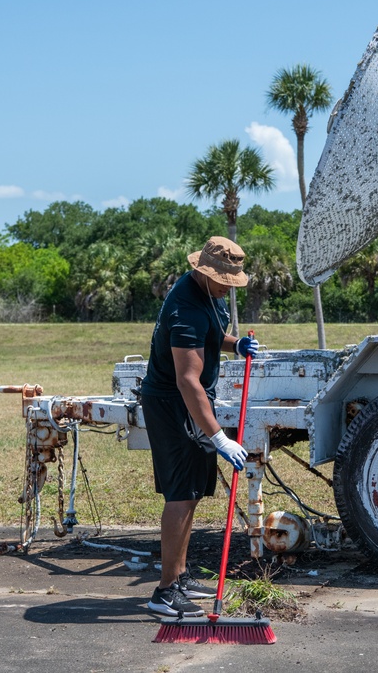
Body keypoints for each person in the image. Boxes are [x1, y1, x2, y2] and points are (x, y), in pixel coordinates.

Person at [140, 236, 259, 617]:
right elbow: (187, 381)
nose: (229, 286)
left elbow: (209, 336)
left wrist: (235, 345)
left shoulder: (206, 293)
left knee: (191, 492)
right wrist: (219, 437)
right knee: (180, 493)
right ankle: (164, 592)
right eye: (225, 279)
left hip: (189, 403)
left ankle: (180, 574)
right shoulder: (185, 308)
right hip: (174, 405)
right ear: (204, 273)